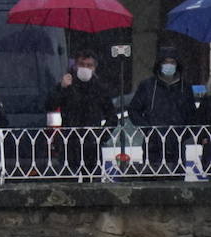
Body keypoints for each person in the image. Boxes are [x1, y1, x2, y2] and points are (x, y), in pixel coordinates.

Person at [44, 49, 116, 177]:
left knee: (92, 182)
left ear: (94, 68)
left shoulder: (99, 88)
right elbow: (49, 105)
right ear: (75, 66)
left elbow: (112, 117)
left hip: (92, 146)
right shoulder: (67, 84)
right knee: (67, 183)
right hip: (69, 143)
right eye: (82, 65)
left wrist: (100, 137)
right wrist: (62, 87)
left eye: (89, 65)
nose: (85, 68)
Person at [128, 46, 199, 175]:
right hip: (153, 146)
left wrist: (183, 134)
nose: (169, 65)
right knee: (153, 182)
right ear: (159, 64)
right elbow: (133, 110)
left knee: (177, 182)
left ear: (177, 65)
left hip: (177, 146)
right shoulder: (148, 86)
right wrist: (148, 130)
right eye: (166, 62)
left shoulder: (185, 87)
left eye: (172, 62)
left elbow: (192, 115)